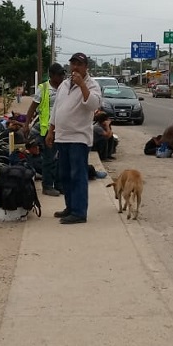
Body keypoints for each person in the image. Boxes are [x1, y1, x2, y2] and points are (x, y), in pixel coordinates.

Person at [46, 52, 101, 225]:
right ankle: (70, 207)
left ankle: (79, 212)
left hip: (79, 138)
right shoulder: (64, 84)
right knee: (65, 175)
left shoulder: (92, 85)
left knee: (78, 175)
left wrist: (82, 85)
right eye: (73, 63)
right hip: (62, 137)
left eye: (79, 64)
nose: (75, 67)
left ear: (86, 67)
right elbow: (57, 109)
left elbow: (93, 105)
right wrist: (51, 130)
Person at [24, 63, 65, 197]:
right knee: (50, 158)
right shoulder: (44, 88)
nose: (62, 76)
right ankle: (47, 186)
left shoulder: (64, 87)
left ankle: (59, 185)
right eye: (59, 74)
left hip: (61, 129)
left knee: (60, 159)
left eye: (63, 74)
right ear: (52, 75)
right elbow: (32, 108)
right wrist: (26, 124)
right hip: (46, 130)